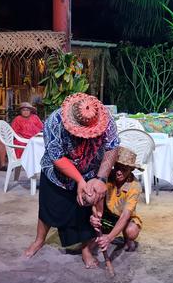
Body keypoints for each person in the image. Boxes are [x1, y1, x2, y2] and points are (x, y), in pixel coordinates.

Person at [23, 93, 119, 268]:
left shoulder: (106, 119)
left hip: (91, 170)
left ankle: (86, 249)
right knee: (48, 207)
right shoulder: (54, 121)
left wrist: (101, 178)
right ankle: (39, 240)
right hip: (57, 173)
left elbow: (112, 147)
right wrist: (79, 180)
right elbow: (56, 156)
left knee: (86, 211)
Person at [90, 146, 143, 253]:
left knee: (131, 231)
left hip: (123, 217)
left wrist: (109, 238)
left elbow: (125, 216)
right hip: (106, 215)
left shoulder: (135, 186)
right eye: (117, 167)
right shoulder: (107, 176)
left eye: (124, 169)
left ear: (131, 170)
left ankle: (127, 239)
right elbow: (95, 197)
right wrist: (94, 214)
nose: (119, 172)